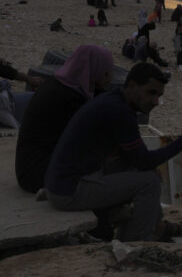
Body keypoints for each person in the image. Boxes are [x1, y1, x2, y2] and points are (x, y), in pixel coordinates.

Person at [45, 62, 182, 241]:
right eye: (151, 93)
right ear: (131, 86)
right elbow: (144, 160)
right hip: (69, 191)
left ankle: (155, 226)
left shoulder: (114, 101)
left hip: (64, 183)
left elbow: (136, 158)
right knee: (149, 182)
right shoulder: (119, 111)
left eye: (158, 95)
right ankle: (139, 241)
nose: (155, 102)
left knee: (144, 172)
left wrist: (145, 165)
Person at [15, 45, 114, 194]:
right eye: (106, 72)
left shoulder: (59, 84)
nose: (109, 76)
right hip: (37, 176)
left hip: (29, 168)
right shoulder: (69, 99)